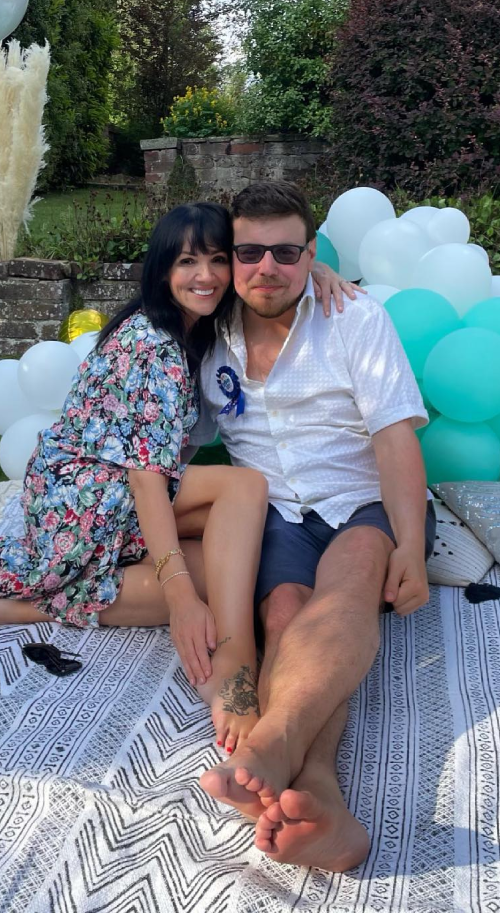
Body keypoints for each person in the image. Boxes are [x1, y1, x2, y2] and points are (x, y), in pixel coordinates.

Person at [0, 201, 351, 753]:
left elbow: (268, 275)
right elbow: (146, 477)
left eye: (216, 260)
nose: (204, 275)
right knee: (245, 488)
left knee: (232, 565)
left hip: (92, 499)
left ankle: (24, 609)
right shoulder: (152, 344)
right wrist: (179, 593)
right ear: (162, 270)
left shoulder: (197, 326)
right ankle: (235, 660)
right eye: (186, 263)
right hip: (80, 500)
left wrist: (313, 270)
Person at [192, 181, 436, 873]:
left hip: (361, 499)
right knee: (284, 609)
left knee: (351, 581)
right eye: (249, 252)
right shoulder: (206, 336)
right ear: (228, 256)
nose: (266, 267)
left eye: (286, 252)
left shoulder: (354, 316)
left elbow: (393, 439)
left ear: (311, 255)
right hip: (271, 511)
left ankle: (270, 745)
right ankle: (323, 800)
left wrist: (411, 550)